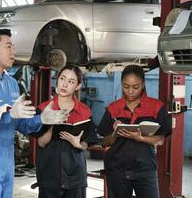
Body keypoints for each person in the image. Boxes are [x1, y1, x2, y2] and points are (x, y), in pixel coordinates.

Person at [0, 29, 68, 198]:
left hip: (8, 162)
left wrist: (41, 119)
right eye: (8, 47)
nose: (14, 52)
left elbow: (21, 124)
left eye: (13, 47)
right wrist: (9, 115)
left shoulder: (12, 84)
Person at [97, 65, 172, 198]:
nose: (130, 91)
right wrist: (115, 133)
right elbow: (105, 141)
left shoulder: (156, 107)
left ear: (143, 84)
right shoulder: (113, 108)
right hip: (117, 170)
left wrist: (141, 138)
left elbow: (160, 139)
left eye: (135, 87)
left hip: (145, 170)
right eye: (126, 86)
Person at [33, 64, 97, 198]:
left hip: (75, 177)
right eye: (62, 78)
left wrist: (79, 144)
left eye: (71, 81)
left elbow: (89, 140)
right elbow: (41, 143)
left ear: (78, 86)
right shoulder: (44, 108)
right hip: (49, 176)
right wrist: (52, 125)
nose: (65, 84)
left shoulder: (84, 111)